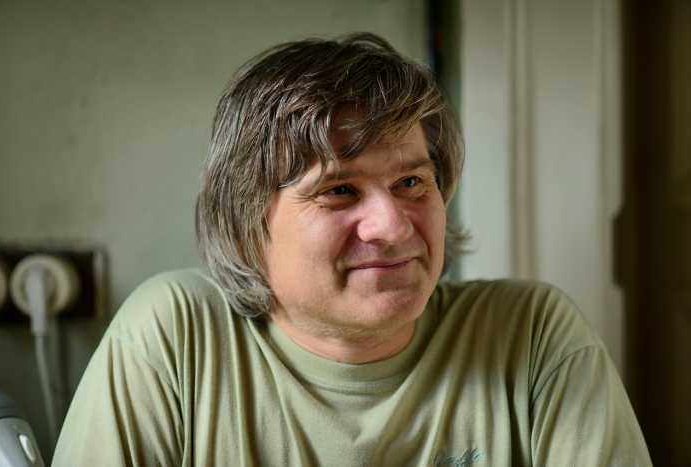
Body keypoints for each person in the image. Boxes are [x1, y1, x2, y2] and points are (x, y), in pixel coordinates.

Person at [52, 33, 652, 466]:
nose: (391, 226)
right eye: (339, 190)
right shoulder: (175, 338)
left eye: (411, 182)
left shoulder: (533, 336)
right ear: (247, 223)